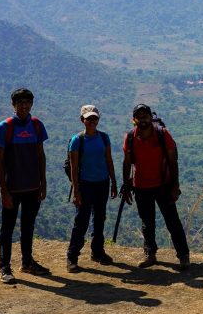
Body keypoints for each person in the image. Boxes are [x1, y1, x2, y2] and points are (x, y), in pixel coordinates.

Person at [121, 104, 190, 270]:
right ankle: (150, 254)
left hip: (163, 185)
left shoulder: (162, 134)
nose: (143, 119)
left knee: (172, 221)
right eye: (139, 117)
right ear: (134, 120)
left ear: (151, 117)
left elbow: (173, 161)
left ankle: (183, 256)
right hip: (141, 186)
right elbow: (127, 162)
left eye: (145, 116)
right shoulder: (130, 137)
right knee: (147, 223)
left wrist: (175, 185)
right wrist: (126, 185)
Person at [0, 88, 50, 283]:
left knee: (28, 226)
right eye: (20, 103)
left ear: (32, 104)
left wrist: (43, 182)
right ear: (13, 105)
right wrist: (3, 190)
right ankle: (4, 267)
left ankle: (27, 262)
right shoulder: (5, 127)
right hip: (12, 187)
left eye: (27, 102)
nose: (24, 106)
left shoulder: (36, 125)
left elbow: (40, 155)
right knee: (7, 228)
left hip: (32, 186)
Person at [65, 105, 118, 273]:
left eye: (95, 118)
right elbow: (73, 167)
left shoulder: (104, 138)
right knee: (81, 221)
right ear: (82, 120)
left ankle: (97, 252)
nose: (92, 121)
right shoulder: (77, 140)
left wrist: (114, 182)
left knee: (100, 219)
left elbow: (109, 160)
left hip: (102, 183)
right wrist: (76, 191)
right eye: (89, 118)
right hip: (85, 184)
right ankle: (72, 257)